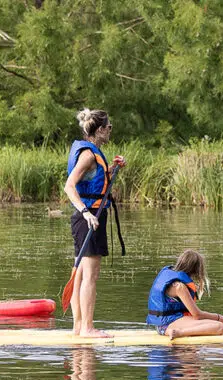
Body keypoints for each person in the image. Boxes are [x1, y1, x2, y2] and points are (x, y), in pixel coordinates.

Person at [63, 108, 126, 338]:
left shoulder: (93, 153)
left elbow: (93, 180)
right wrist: (87, 212)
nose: (110, 131)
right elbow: (69, 186)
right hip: (88, 218)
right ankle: (87, 328)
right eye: (109, 127)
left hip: (88, 217)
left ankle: (79, 327)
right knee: (90, 275)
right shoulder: (88, 155)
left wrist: (113, 169)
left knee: (80, 274)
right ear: (99, 130)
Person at [145, 249, 223, 338]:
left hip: (164, 322)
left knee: (216, 323)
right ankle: (180, 332)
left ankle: (179, 330)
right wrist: (218, 317)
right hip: (167, 324)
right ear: (196, 269)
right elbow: (197, 315)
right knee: (219, 326)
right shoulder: (179, 287)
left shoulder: (171, 276)